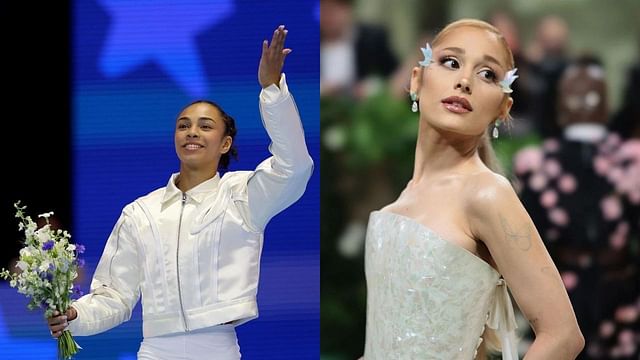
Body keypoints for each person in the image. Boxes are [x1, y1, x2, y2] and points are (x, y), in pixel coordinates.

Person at [46, 25, 313, 359]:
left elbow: (295, 166)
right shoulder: (140, 212)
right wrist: (76, 316)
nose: (192, 132)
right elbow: (114, 295)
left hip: (218, 348)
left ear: (225, 143)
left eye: (205, 126)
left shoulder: (243, 196)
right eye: (184, 125)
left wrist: (272, 91)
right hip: (155, 350)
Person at [361, 19, 584, 359]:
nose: (464, 81)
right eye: (451, 62)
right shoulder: (401, 201)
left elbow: (563, 336)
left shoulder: (487, 194)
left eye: (487, 75)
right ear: (416, 79)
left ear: (502, 108)